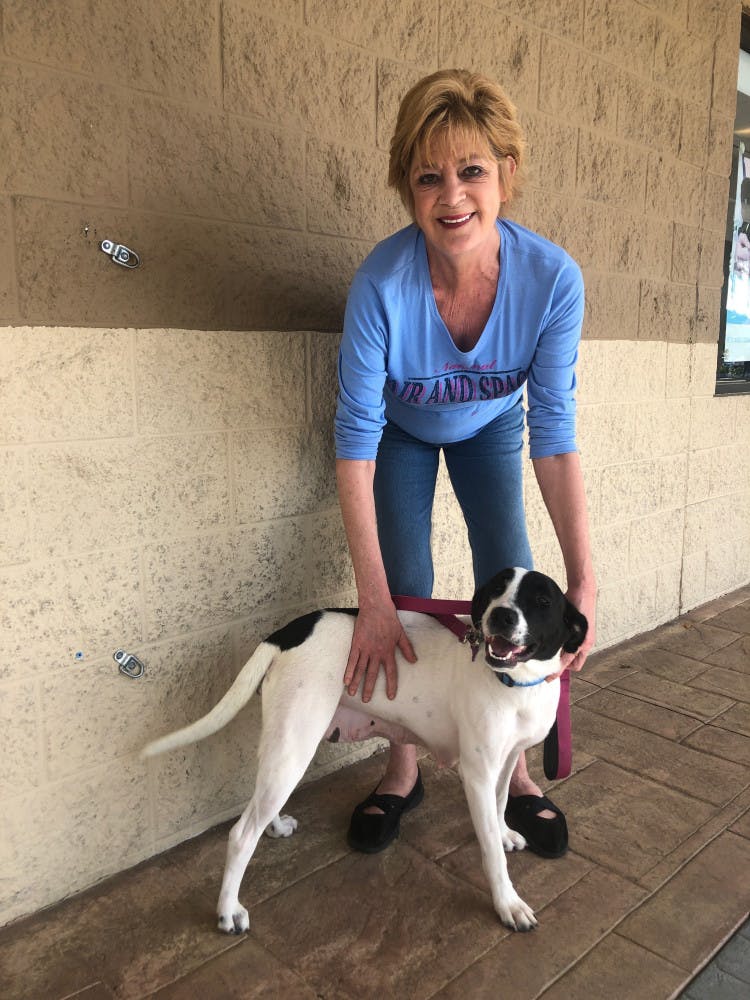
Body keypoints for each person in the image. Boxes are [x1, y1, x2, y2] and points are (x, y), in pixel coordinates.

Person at [334, 68, 596, 858]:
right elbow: (353, 445)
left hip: (489, 430)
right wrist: (372, 600)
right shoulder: (382, 285)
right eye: (428, 177)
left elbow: (552, 430)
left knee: (512, 581)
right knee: (408, 605)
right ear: (407, 190)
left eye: (472, 171)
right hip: (401, 437)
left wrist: (583, 574)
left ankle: (516, 773)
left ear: (506, 176)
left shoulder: (551, 281)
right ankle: (402, 765)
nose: (452, 196)